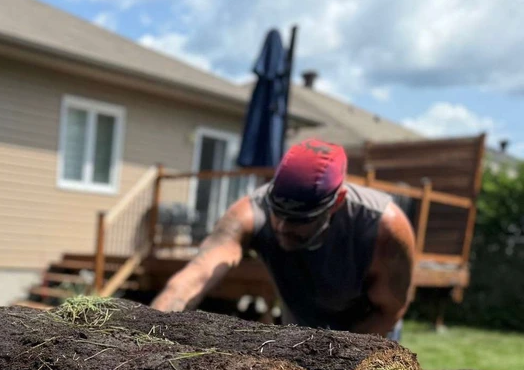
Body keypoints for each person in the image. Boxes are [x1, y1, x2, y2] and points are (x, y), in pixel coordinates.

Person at [151, 139, 416, 339]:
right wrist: (148, 334)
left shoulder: (383, 227)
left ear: (336, 203)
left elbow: (389, 310)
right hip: (300, 330)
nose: (281, 226)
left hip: (368, 332)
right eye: (277, 212)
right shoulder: (251, 211)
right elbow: (197, 275)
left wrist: (334, 350)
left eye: (300, 219)